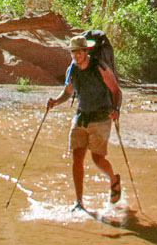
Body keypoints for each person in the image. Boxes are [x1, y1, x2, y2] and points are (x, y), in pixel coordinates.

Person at [45, 33, 122, 210]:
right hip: (81, 116)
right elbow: (67, 93)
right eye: (73, 52)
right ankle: (79, 201)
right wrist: (55, 102)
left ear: (86, 51)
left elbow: (116, 91)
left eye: (79, 52)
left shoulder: (100, 67)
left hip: (101, 117)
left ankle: (113, 179)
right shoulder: (71, 69)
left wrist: (116, 109)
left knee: (97, 158)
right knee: (77, 157)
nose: (76, 55)